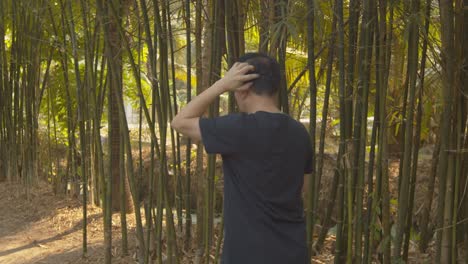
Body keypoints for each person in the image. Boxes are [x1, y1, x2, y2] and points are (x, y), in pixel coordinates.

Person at [171, 53, 312, 264]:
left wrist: (221, 85)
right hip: (293, 252)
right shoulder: (300, 133)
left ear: (242, 87)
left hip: (248, 254)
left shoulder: (238, 129)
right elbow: (303, 189)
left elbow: (180, 121)